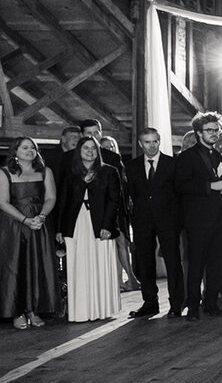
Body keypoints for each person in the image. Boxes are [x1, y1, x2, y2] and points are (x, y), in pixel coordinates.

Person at [175, 110, 222, 321]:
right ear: (198, 132)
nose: (214, 134)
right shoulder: (187, 157)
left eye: (216, 130)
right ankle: (192, 306)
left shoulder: (217, 155)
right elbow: (181, 185)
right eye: (209, 130)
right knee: (196, 265)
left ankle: (211, 303)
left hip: (218, 218)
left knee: (217, 264)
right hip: (198, 221)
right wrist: (212, 186)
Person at [57, 137, 121, 322]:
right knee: (78, 266)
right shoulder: (70, 173)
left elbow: (114, 201)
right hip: (75, 225)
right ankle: (81, 310)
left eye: (93, 148)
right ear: (79, 150)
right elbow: (63, 201)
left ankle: (101, 309)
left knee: (100, 264)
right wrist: (60, 229)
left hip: (100, 225)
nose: (90, 151)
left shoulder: (109, 172)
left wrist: (107, 226)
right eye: (86, 148)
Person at [0, 137, 59, 328]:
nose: (30, 150)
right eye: (25, 148)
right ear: (15, 152)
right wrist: (24, 220)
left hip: (39, 224)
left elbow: (50, 197)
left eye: (32, 148)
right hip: (14, 225)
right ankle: (17, 312)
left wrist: (41, 217)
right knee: (15, 266)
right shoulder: (4, 172)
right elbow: (2, 202)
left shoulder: (45, 171)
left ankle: (34, 310)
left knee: (37, 265)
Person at [126, 128, 185, 319]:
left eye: (155, 142)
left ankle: (176, 303)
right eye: (147, 142)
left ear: (159, 142)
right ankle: (150, 303)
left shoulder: (173, 164)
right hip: (142, 220)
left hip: (169, 220)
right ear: (140, 144)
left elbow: (179, 194)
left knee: (173, 261)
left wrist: (178, 219)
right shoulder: (132, 166)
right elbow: (132, 195)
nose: (151, 146)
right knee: (145, 262)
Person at [81, 119, 137, 290]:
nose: (93, 136)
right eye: (88, 133)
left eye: (95, 132)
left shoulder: (113, 157)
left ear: (100, 132)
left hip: (114, 209)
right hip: (86, 212)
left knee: (121, 243)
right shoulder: (76, 157)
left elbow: (121, 187)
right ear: (83, 135)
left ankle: (128, 279)